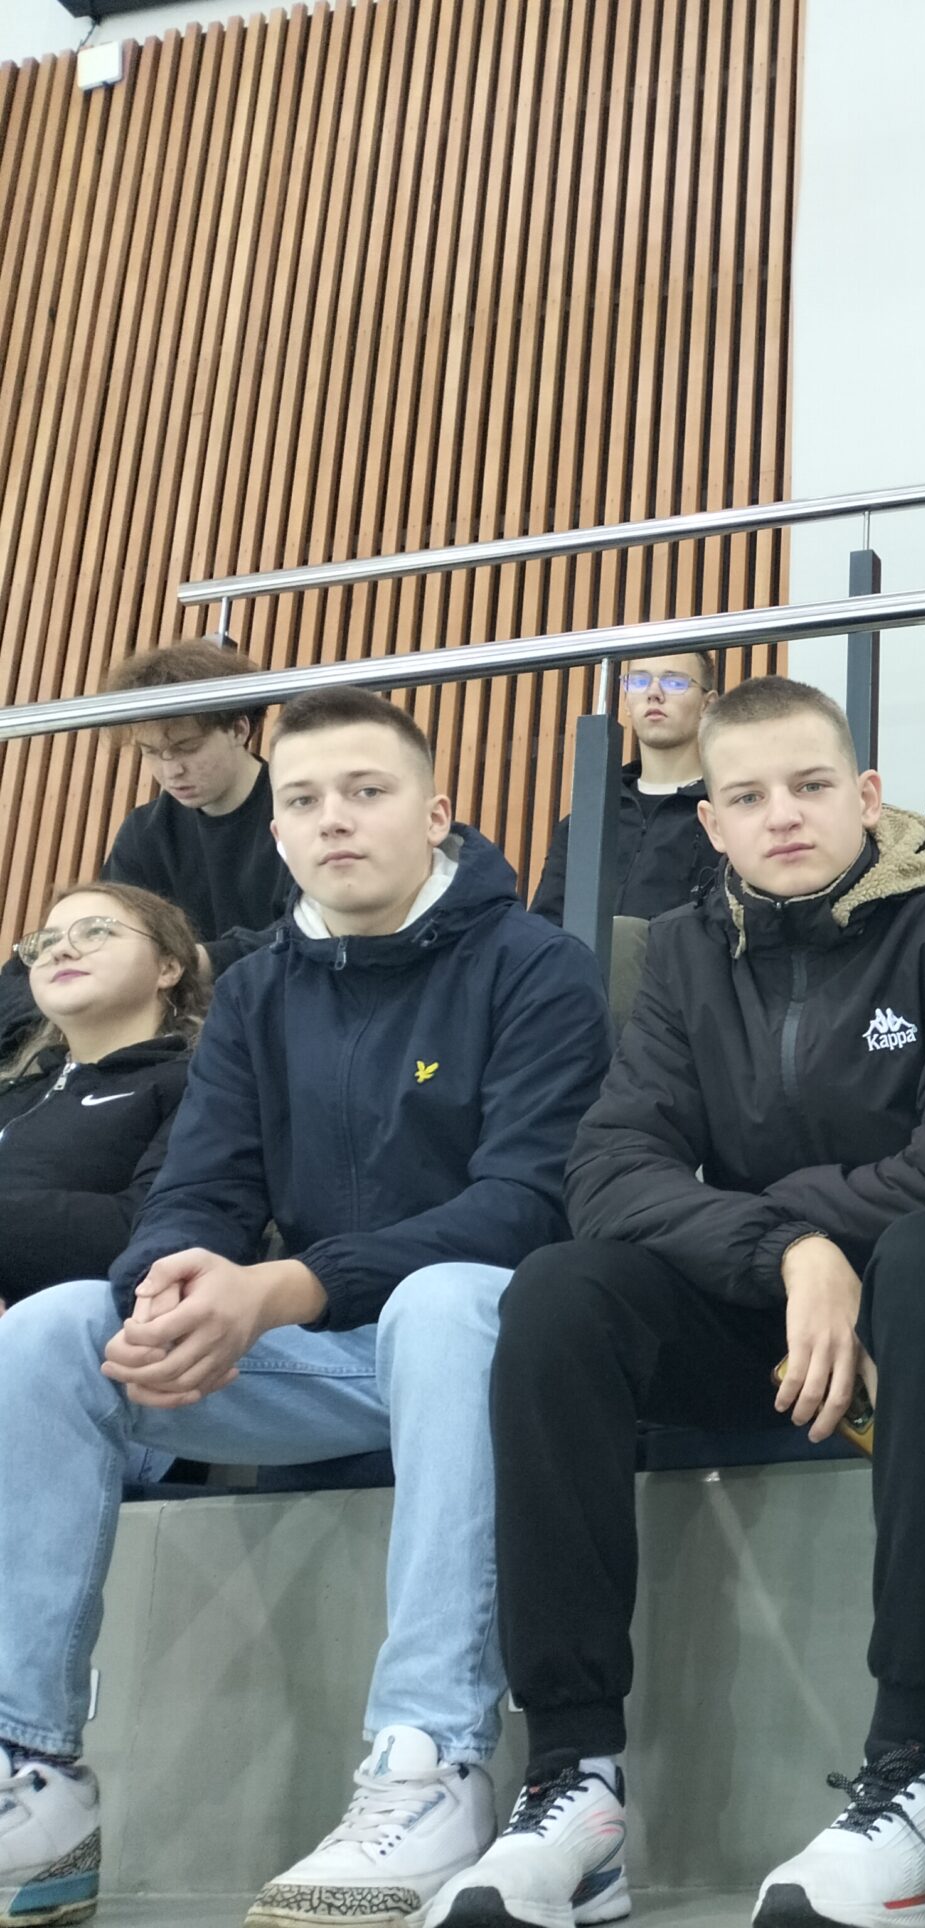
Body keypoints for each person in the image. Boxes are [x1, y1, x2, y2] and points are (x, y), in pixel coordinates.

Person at [0, 689, 612, 1928]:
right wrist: (167, 1282)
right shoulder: (257, 990)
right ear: (275, 829)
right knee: (52, 1327)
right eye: (304, 799)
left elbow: (528, 1202)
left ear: (436, 813)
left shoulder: (536, 963)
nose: (334, 819)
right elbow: (201, 1187)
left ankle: (431, 1759)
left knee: (444, 1300)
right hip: (325, 1358)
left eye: (366, 791)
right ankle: (34, 1772)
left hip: (484, 1348)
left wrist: (293, 1284)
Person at [426, 677, 925, 1928]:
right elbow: (610, 1170)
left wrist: (811, 1233)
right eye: (747, 796)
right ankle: (574, 1780)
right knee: (559, 1292)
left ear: (868, 795)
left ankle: (918, 1762)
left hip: (916, 1314)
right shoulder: (684, 948)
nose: (783, 815)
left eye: (811, 785)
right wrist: (787, 1249)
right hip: (763, 1304)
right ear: (710, 822)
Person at [0, 883, 209, 1312]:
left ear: (168, 967)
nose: (61, 951)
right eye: (47, 942)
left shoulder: (196, 1085)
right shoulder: (17, 1091)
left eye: (96, 931)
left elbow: (151, 1222)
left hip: (85, 1319)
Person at [97, 639, 297, 970]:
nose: (170, 771)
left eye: (187, 747)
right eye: (151, 752)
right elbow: (108, 928)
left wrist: (191, 964)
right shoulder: (144, 833)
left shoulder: (302, 812)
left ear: (239, 729)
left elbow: (314, 933)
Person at [530, 651, 724, 924]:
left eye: (674, 682)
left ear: (708, 704)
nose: (653, 693)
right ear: (626, 702)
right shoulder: (589, 818)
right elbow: (545, 925)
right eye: (638, 681)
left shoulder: (724, 812)